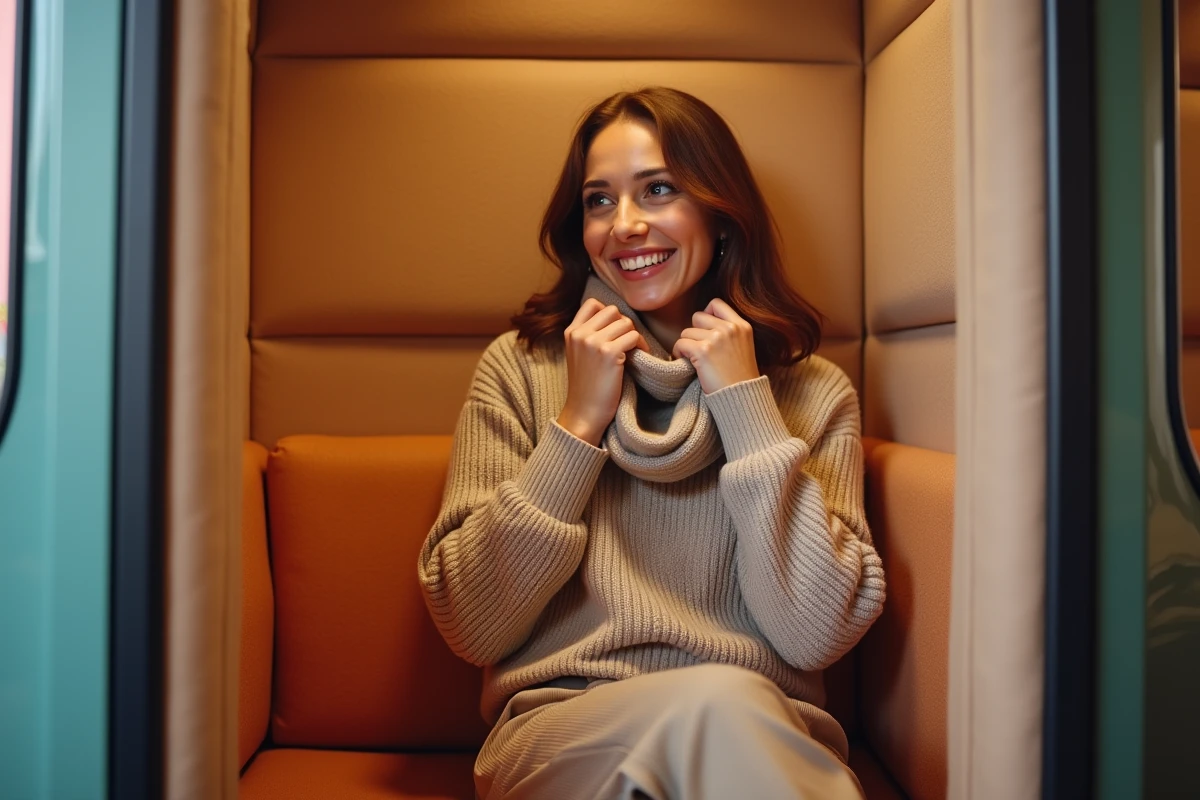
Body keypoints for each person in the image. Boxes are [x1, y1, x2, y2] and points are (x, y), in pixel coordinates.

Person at [418, 86, 885, 800]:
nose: (625, 225)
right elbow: (472, 624)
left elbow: (815, 633)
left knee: (723, 709)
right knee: (717, 711)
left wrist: (745, 405)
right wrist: (577, 423)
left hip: (760, 734)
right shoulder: (521, 368)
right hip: (563, 734)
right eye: (599, 200)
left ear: (720, 212)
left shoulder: (812, 391)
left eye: (658, 189)